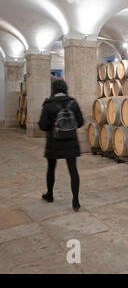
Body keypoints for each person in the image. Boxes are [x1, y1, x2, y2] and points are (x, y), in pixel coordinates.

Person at [38, 79, 84, 211]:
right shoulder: (73, 102)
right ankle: (75, 201)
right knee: (73, 170)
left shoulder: (48, 105)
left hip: (54, 142)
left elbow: (42, 126)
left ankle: (50, 194)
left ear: (53, 89)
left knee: (51, 169)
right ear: (65, 89)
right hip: (71, 141)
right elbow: (80, 122)